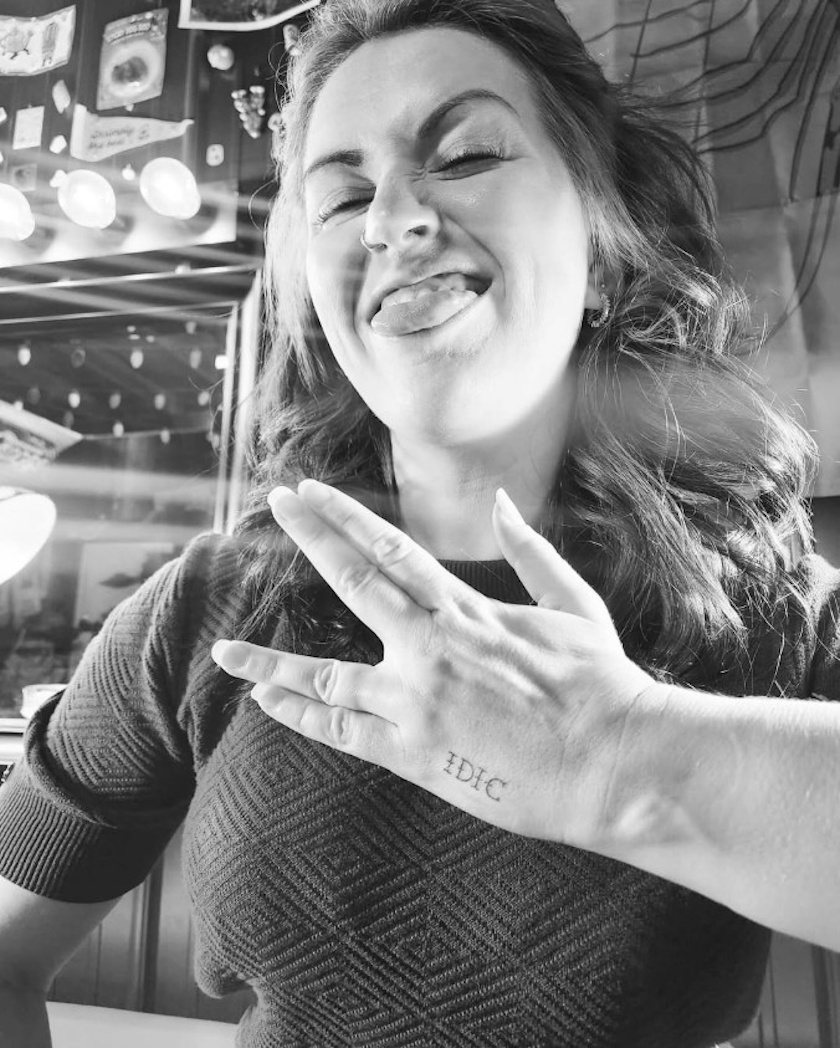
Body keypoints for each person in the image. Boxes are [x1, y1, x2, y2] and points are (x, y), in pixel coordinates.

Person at [1, 1, 839, 1046]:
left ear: (607, 244)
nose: (392, 217)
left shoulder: (775, 610)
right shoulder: (212, 606)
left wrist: (617, 754)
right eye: (342, 197)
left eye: (467, 153)